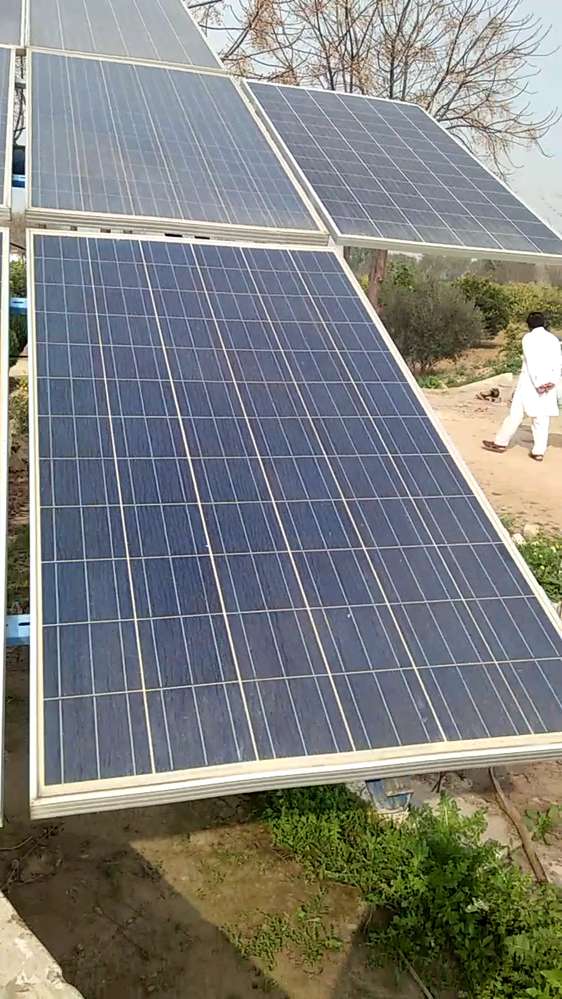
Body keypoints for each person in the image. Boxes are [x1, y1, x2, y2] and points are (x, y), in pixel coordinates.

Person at [483, 312, 562, 462]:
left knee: (515, 414)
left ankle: (500, 443)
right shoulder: (553, 339)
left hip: (530, 384)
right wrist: (552, 381)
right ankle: (538, 451)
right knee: (541, 419)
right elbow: (559, 362)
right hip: (549, 385)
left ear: (529, 324)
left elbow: (532, 362)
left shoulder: (528, 338)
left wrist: (539, 383)